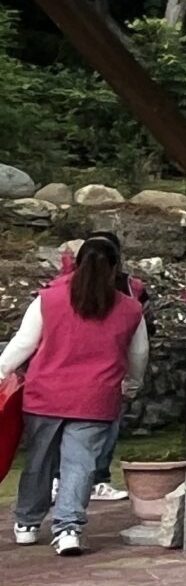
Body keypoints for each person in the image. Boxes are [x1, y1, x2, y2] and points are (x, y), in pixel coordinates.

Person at [2, 233, 147, 558]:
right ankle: (68, 529)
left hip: (45, 395)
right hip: (96, 398)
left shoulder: (48, 300)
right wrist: (132, 384)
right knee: (80, 465)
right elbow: (139, 355)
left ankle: (27, 522)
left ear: (76, 265)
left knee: (39, 461)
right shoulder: (130, 310)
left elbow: (23, 343)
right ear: (116, 268)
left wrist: (1, 372)